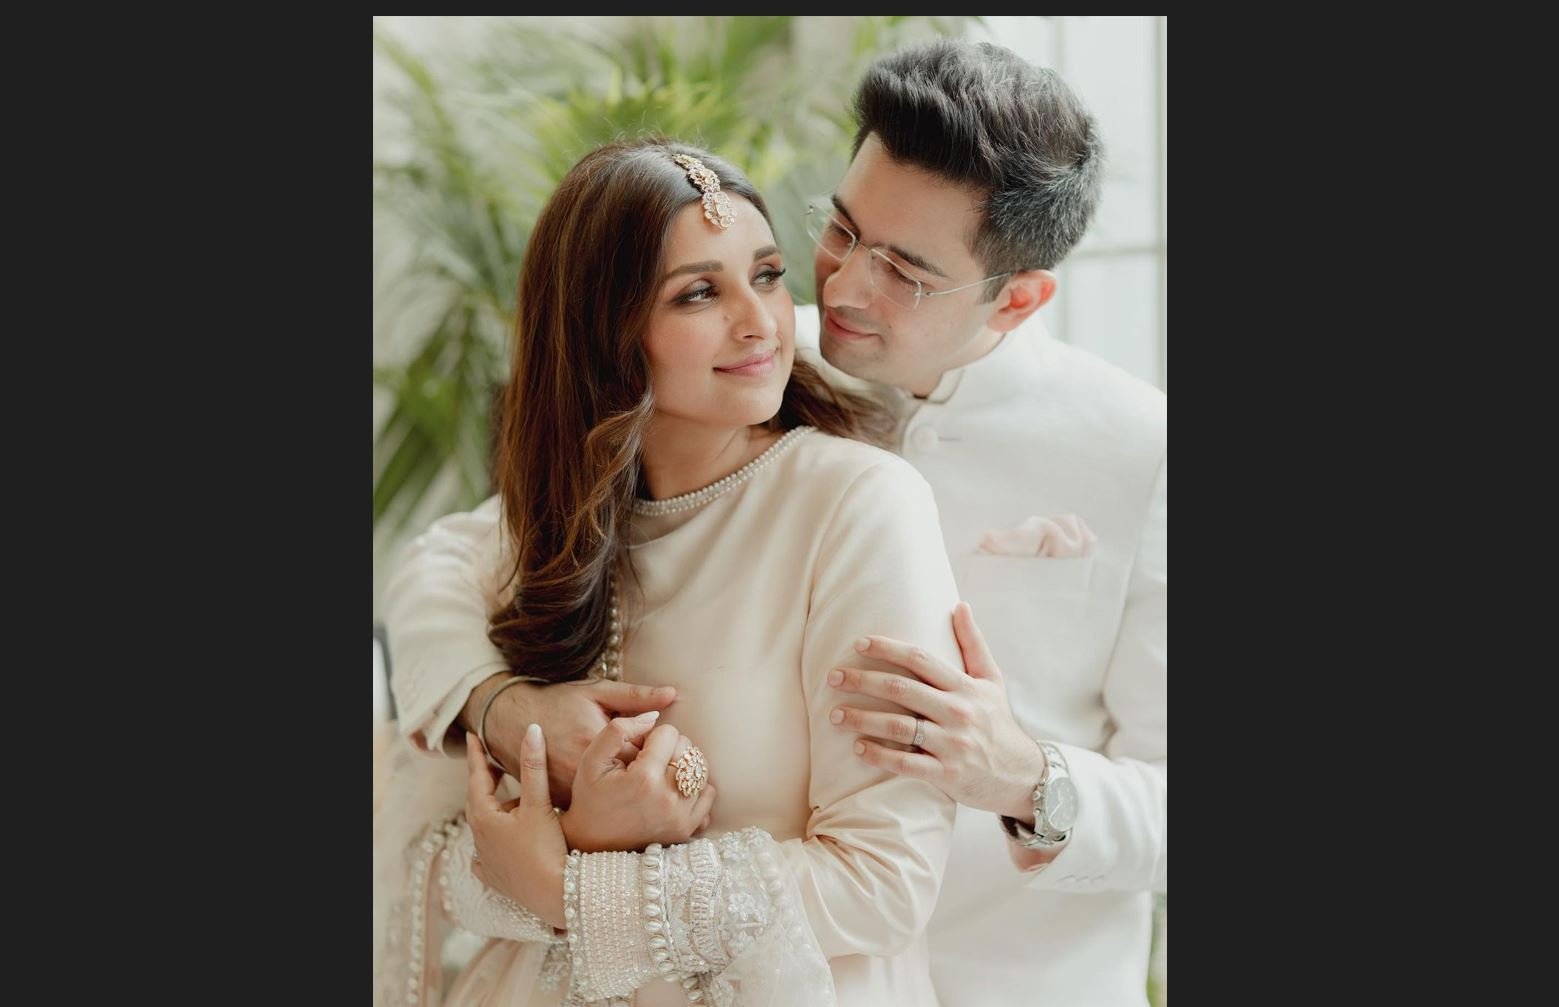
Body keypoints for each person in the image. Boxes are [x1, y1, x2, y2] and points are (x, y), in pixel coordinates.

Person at [390, 37, 1167, 1007]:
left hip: (1005, 980)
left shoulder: (1138, 451)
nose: (838, 287)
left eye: (904, 271)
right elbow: (456, 557)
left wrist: (1025, 776)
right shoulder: (753, 364)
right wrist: (505, 706)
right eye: (841, 229)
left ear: (1016, 299)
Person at [374, 138, 965, 1007]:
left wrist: (572, 884)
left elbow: (884, 881)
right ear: (602, 331)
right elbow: (427, 577)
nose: (761, 322)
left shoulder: (857, 503)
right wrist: (506, 710)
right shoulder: (555, 522)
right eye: (698, 293)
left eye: (766, 275)